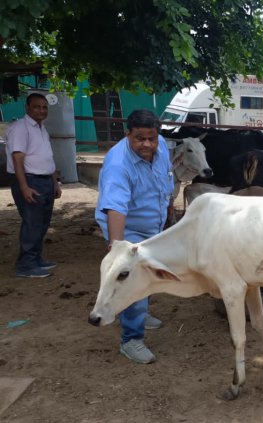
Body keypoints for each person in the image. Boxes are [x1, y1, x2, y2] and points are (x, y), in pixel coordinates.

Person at [95, 110, 172, 364]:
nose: (147, 144)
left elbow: (166, 185)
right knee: (131, 276)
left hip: (153, 224)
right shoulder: (119, 163)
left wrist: (168, 218)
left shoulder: (161, 146)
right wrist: (117, 248)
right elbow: (116, 207)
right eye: (139, 138)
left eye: (151, 137)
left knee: (147, 274)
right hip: (128, 229)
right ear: (128, 134)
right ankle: (131, 340)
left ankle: (138, 309)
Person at [5, 93, 62, 278]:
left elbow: (47, 157)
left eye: (45, 107)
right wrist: (24, 187)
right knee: (32, 223)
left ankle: (35, 259)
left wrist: (55, 182)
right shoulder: (20, 128)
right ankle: (26, 266)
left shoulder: (42, 129)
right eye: (37, 107)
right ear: (27, 108)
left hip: (45, 180)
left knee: (42, 222)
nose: (41, 110)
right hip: (30, 180)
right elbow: (17, 158)